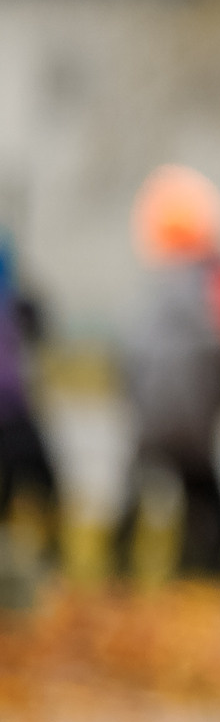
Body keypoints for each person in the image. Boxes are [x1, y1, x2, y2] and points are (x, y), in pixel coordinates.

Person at [112, 164, 220, 582]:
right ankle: (208, 569)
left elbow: (130, 357)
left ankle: (123, 568)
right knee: (206, 492)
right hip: (196, 412)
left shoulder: (161, 288)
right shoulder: (217, 281)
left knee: (144, 485)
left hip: (155, 412)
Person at [0, 230, 64, 573]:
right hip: (11, 412)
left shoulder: (14, 304)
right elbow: (40, 326)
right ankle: (52, 557)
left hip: (11, 412)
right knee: (46, 484)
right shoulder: (13, 303)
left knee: (16, 483)